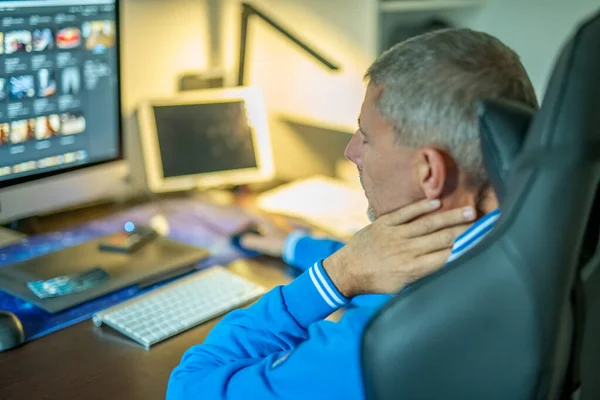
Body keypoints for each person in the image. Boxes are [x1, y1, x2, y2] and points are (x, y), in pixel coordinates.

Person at [167, 28, 539, 399]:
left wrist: (333, 276)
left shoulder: (381, 345)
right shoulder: (535, 236)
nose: (351, 151)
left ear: (429, 172)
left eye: (366, 136)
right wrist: (300, 246)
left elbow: (189, 387)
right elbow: (398, 264)